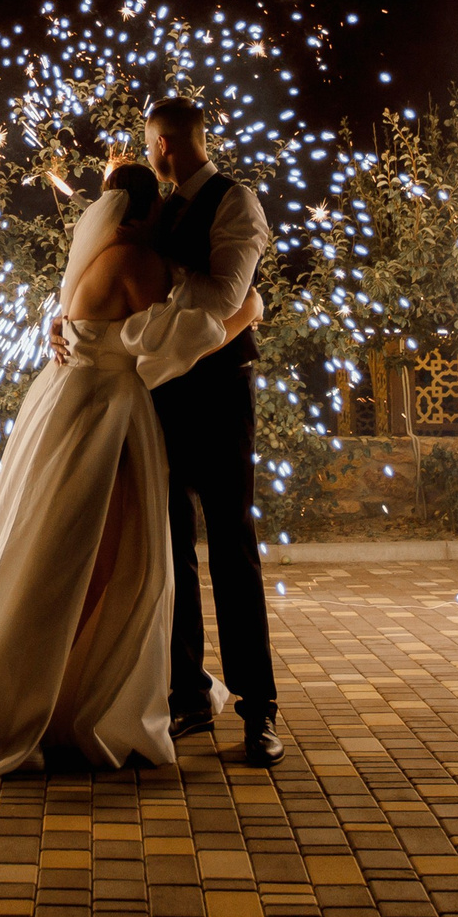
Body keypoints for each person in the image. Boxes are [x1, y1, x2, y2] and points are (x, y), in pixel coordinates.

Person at [0, 161, 262, 774]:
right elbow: (169, 344)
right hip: (101, 416)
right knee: (90, 560)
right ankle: (40, 697)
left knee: (60, 550)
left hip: (71, 403)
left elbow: (92, 323)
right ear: (142, 214)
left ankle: (59, 686)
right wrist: (246, 312)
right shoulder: (136, 260)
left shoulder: (96, 256)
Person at [137, 96, 284, 767]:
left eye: (150, 145)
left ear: (164, 143)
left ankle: (259, 709)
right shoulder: (160, 207)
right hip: (161, 396)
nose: (149, 156)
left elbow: (225, 299)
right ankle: (189, 692)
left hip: (221, 395)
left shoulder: (235, 202)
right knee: (170, 550)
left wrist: (159, 274)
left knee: (231, 546)